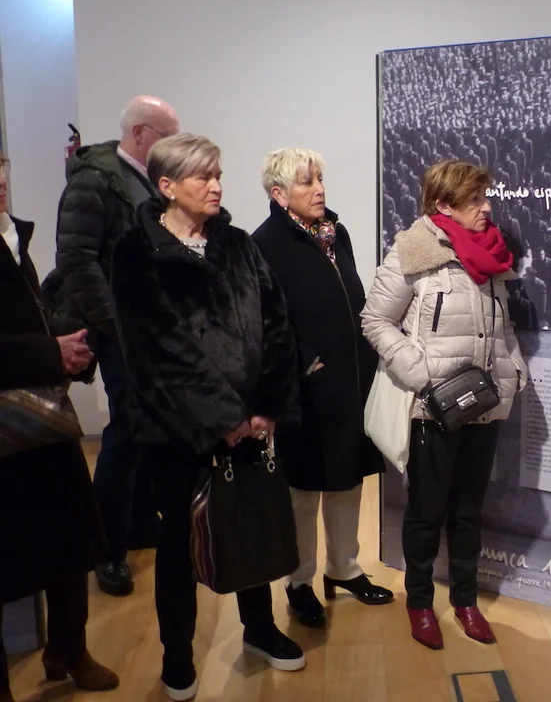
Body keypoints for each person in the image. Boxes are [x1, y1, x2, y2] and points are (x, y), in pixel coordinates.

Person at [110, 134, 305, 700]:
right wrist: (221, 417)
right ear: (167, 186)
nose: (217, 185)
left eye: (218, 174)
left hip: (251, 422)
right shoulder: (136, 252)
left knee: (250, 525)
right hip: (178, 432)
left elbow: (276, 324)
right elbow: (157, 351)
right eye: (203, 176)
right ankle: (177, 656)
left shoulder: (238, 244)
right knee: (179, 543)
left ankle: (260, 629)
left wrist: (266, 406)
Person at [361, 160, 527, 651]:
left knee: (469, 510)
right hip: (434, 406)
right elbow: (375, 320)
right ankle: (419, 602)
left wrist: (514, 367)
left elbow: (501, 325)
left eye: (485, 197)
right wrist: (420, 372)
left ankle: (465, 600)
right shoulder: (413, 251)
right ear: (444, 205)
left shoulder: (492, 253)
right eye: (475, 200)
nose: (486, 207)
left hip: (485, 401)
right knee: (427, 509)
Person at [251, 148, 394, 630]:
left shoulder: (337, 233)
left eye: (319, 179)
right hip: (306, 388)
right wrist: (306, 364)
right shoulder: (264, 244)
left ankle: (344, 568)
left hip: (352, 380)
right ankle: (299, 582)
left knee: (347, 478)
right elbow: (265, 322)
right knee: (304, 490)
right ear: (279, 194)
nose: (319, 189)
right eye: (306, 182)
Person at [0, 154, 119, 702]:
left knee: (71, 539)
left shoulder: (13, 236)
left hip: (41, 418)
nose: (1, 180)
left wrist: (66, 343)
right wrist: (49, 352)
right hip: (10, 424)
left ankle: (68, 649)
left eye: (2, 166)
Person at [55, 95, 180, 596]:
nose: (174, 145)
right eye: (169, 135)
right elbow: (77, 260)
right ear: (141, 133)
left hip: (146, 328)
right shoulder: (96, 180)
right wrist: (118, 325)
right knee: (126, 431)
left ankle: (140, 523)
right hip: (119, 330)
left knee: (149, 424)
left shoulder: (143, 179)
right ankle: (105, 547)